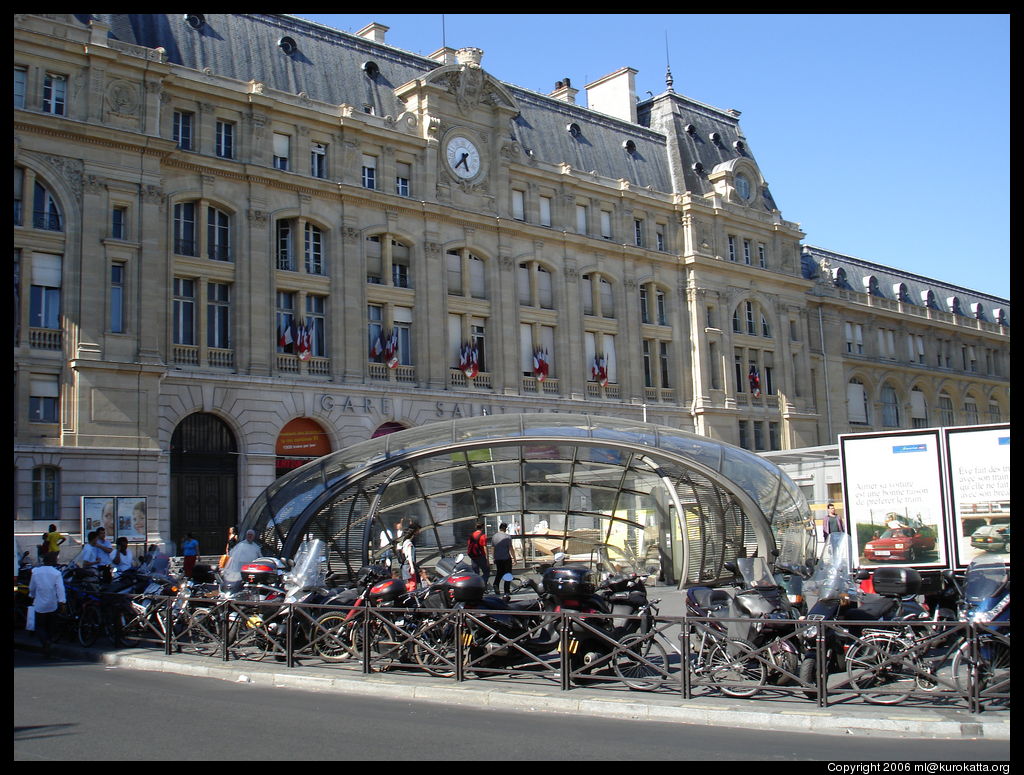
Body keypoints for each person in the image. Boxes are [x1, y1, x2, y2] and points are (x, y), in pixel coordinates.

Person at [28, 554, 66, 658]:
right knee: (51, 625)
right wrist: (62, 601)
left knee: (40, 626)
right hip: (52, 603)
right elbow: (60, 589)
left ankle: (45, 642)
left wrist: (32, 595)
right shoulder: (56, 573)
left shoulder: (36, 572)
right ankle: (49, 640)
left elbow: (32, 587)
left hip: (39, 603)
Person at [491, 522, 516, 595]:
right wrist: (514, 558)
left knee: (499, 572)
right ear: (505, 528)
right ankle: (506, 590)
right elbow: (510, 548)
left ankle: (496, 584)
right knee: (508, 574)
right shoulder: (507, 536)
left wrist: (493, 557)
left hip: (498, 558)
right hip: (506, 558)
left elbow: (492, 548)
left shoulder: (494, 536)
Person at [467, 521, 489, 586]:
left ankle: (476, 586)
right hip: (481, 556)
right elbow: (485, 547)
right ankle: (482, 584)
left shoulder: (471, 535)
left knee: (475, 573)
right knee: (486, 572)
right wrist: (487, 559)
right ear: (482, 527)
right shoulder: (483, 536)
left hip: (473, 556)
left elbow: (469, 545)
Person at [399, 521, 421, 585]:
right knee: (412, 584)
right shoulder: (409, 543)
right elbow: (410, 556)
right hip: (409, 564)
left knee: (408, 584)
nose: (419, 532)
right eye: (418, 530)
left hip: (404, 565)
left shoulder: (404, 542)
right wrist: (412, 567)